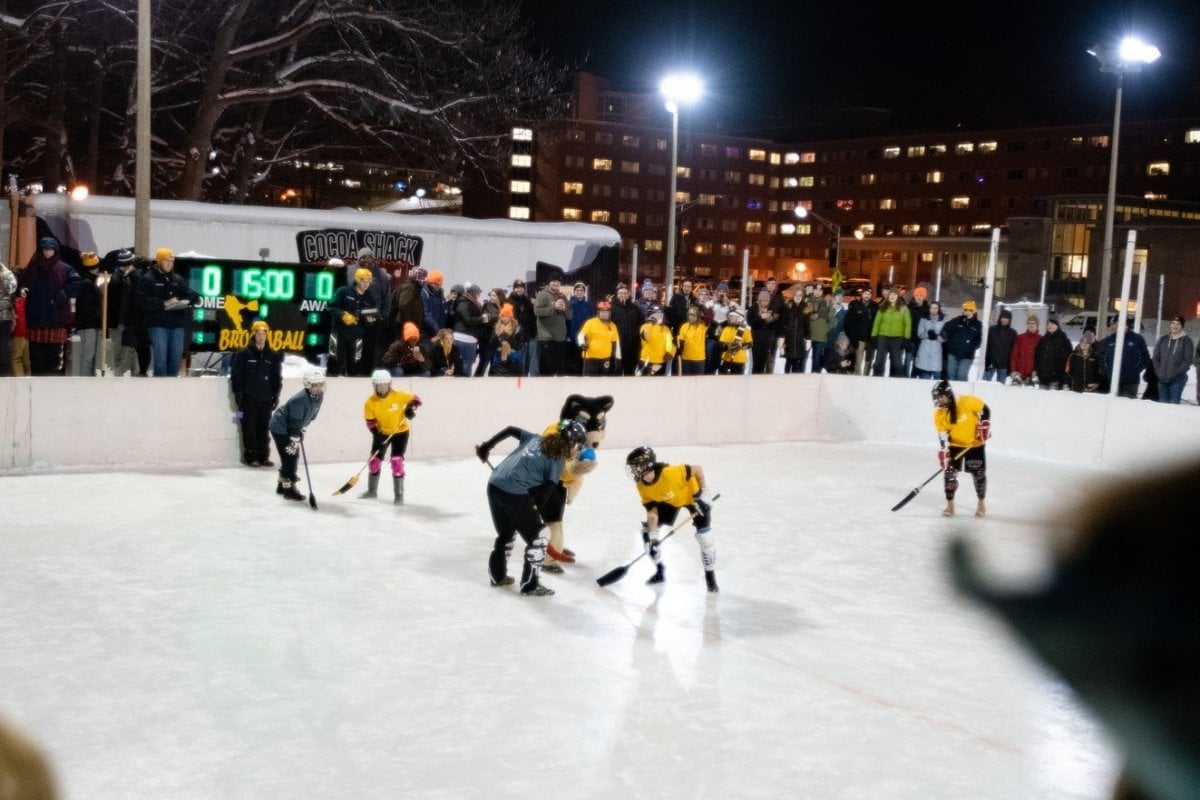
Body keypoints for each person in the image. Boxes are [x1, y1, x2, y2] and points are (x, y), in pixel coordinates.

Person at [474, 420, 587, 596]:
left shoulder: (536, 438)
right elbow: (544, 495)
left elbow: (510, 429)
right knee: (540, 538)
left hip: (494, 484)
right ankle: (530, 585)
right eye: (577, 445)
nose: (576, 450)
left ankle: (497, 576)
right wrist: (534, 516)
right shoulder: (556, 463)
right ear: (571, 443)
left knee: (506, 534)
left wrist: (487, 446)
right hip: (514, 494)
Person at [624, 445, 719, 592]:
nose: (633, 471)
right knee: (648, 536)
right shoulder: (641, 486)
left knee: (706, 538)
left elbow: (698, 469)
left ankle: (710, 575)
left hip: (694, 498)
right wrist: (654, 535)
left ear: (647, 466)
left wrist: (704, 493)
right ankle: (660, 570)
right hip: (670, 500)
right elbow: (652, 511)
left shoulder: (671, 473)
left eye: (635, 467)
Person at [17, 237, 83, 375]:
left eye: (50, 249)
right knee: (36, 358)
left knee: (54, 359)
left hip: (55, 318)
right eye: (45, 249)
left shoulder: (64, 269)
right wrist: (22, 289)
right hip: (35, 318)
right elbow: (22, 283)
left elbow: (77, 283)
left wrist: (63, 294)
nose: (47, 252)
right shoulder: (32, 268)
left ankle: (52, 388)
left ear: (55, 250)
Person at [136, 248, 200, 377]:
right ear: (159, 261)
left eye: (172, 261)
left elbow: (190, 292)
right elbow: (142, 301)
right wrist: (163, 303)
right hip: (158, 325)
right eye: (166, 261)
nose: (170, 264)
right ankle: (160, 389)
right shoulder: (148, 279)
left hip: (177, 325)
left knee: (175, 359)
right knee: (161, 359)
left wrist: (189, 299)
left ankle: (172, 388)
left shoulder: (177, 279)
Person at [931, 379, 991, 518]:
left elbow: (985, 409)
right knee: (949, 475)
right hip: (955, 446)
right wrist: (944, 452)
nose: (938, 401)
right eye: (936, 398)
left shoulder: (966, 401)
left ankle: (981, 503)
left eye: (940, 396)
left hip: (975, 444)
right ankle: (950, 507)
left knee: (979, 475)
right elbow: (942, 435)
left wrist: (985, 425)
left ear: (948, 394)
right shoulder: (939, 413)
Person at [360, 369, 421, 504]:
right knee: (374, 461)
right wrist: (377, 434)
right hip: (381, 433)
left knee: (396, 461)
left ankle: (399, 496)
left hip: (400, 432)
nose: (382, 388)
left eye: (384, 384)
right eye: (379, 385)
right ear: (374, 386)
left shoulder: (399, 395)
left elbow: (417, 400)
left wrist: (410, 408)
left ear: (389, 384)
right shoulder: (370, 402)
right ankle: (372, 491)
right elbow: (370, 422)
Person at [230, 320, 283, 467]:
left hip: (265, 399)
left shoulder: (272, 356)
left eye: (263, 333)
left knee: (264, 429)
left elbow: (276, 378)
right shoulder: (243, 354)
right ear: (253, 335)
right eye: (258, 333)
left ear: (267, 335)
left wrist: (275, 395)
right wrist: (238, 393)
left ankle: (263, 457)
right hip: (248, 399)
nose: (261, 336)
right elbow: (236, 375)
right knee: (249, 429)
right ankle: (251, 457)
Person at [269, 368, 325, 501]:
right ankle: (288, 489)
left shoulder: (320, 396)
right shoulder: (299, 399)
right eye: (315, 385)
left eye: (320, 385)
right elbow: (295, 421)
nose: (318, 388)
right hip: (280, 427)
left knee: (290, 456)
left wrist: (302, 430)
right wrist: (294, 440)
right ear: (308, 385)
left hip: (292, 427)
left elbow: (311, 416)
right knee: (290, 458)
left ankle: (281, 485)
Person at [328, 267, 382, 377]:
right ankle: (332, 377)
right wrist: (343, 315)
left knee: (355, 360)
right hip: (340, 331)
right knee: (335, 357)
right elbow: (331, 307)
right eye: (363, 281)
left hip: (357, 334)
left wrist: (370, 321)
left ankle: (352, 380)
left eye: (368, 281)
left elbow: (371, 314)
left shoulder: (369, 298)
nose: (366, 284)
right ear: (357, 280)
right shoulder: (343, 291)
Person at [1098, 316, 1151, 398]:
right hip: (1112, 381)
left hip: (1131, 382)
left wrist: (1135, 370)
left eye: (1120, 324)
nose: (1117, 326)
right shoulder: (1108, 340)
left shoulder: (1137, 339)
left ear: (1127, 325)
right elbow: (1102, 357)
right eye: (1115, 324)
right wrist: (1107, 371)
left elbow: (1145, 357)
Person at [72, 252, 104, 376]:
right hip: (88, 325)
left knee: (90, 357)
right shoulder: (87, 283)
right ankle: (85, 381)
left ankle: (88, 380)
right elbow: (88, 307)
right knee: (88, 357)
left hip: (90, 325)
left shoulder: (89, 282)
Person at [1150, 316, 1194, 404]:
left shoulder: (1186, 341)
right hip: (1162, 379)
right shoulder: (1163, 339)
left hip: (1177, 380)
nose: (1175, 326)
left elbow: (1187, 360)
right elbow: (1156, 357)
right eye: (1173, 323)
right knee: (1163, 406)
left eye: (1178, 324)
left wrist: (1177, 372)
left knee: (1174, 406)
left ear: (1182, 326)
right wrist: (1159, 371)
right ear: (1170, 325)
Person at [870, 287, 912, 377]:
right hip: (883, 337)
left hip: (897, 338)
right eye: (891, 294)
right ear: (888, 296)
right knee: (879, 361)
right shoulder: (882, 307)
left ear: (898, 296)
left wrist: (906, 338)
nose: (892, 296)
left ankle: (896, 380)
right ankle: (877, 378)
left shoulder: (904, 308)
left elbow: (907, 324)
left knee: (897, 363)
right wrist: (874, 336)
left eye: (894, 294)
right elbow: (877, 322)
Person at [534, 276, 571, 376]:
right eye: (553, 281)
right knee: (547, 371)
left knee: (559, 371)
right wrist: (553, 307)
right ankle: (545, 391)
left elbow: (570, 316)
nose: (556, 283)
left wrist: (564, 309)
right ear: (549, 282)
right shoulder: (542, 295)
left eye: (558, 281)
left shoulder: (563, 296)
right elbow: (537, 311)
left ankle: (559, 391)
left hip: (559, 337)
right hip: (546, 336)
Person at [940, 300, 982, 382]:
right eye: (966, 310)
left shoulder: (977, 324)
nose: (967, 312)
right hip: (953, 353)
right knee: (951, 375)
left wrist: (971, 347)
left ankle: (962, 393)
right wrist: (945, 336)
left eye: (970, 310)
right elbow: (946, 328)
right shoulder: (956, 320)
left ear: (974, 312)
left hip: (967, 356)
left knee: (961, 376)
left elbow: (979, 341)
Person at [577, 299, 621, 375]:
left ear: (610, 313)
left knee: (603, 382)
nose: (604, 314)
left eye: (607, 312)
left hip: (605, 358)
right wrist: (582, 344)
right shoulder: (590, 322)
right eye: (602, 312)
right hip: (590, 358)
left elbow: (616, 343)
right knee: (589, 382)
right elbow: (581, 335)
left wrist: (618, 359)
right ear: (598, 313)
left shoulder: (613, 326)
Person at [452, 283, 488, 376]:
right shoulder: (464, 303)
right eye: (478, 293)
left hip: (470, 340)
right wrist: (482, 319)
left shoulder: (472, 303)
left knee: (467, 366)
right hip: (462, 338)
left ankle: (464, 386)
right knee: (462, 366)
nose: (479, 296)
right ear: (473, 293)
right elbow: (467, 320)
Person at [610, 282, 643, 376]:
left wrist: (637, 335)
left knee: (630, 369)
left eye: (625, 293)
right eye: (621, 293)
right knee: (617, 369)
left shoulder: (635, 308)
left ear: (628, 294)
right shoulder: (612, 308)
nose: (623, 295)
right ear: (617, 294)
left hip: (632, 344)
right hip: (617, 344)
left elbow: (642, 324)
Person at [508, 279, 538, 376]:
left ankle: (524, 379)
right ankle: (519, 380)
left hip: (527, 335)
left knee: (527, 360)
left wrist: (533, 332)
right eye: (517, 287)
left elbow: (531, 318)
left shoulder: (527, 301)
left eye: (521, 288)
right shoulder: (509, 301)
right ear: (514, 289)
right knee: (519, 360)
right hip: (515, 336)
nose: (519, 289)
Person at [844, 287, 877, 375]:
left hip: (870, 339)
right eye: (865, 293)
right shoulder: (855, 306)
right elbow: (850, 323)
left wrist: (875, 337)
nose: (867, 296)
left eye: (869, 294)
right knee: (858, 360)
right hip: (859, 338)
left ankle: (866, 377)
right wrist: (853, 338)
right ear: (862, 294)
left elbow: (877, 322)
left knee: (869, 360)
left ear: (871, 296)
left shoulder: (875, 306)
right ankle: (857, 377)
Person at [1033, 317, 1073, 390]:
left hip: (1056, 378)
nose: (1049, 326)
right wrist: (1036, 369)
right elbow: (1037, 356)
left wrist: (1064, 377)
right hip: (1043, 377)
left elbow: (1069, 359)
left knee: (1052, 399)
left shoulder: (1064, 340)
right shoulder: (1043, 339)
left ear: (1057, 325)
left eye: (1052, 324)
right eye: (1048, 324)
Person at [778, 288, 810, 373]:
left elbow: (807, 324)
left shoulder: (806, 307)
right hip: (789, 337)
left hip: (800, 338)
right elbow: (783, 321)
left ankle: (795, 381)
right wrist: (782, 336)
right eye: (796, 295)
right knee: (789, 361)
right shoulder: (788, 304)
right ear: (793, 295)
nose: (798, 297)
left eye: (800, 295)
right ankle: (786, 380)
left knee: (797, 361)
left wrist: (808, 338)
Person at [489, 306, 526, 377]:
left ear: (511, 317)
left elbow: (520, 346)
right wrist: (499, 340)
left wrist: (508, 341)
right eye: (502, 316)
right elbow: (491, 344)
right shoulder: (496, 328)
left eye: (506, 316)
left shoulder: (517, 328)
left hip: (513, 360)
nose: (504, 318)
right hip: (499, 361)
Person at [565, 282, 594, 375]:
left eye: (582, 290)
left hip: (584, 339)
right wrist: (567, 335)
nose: (579, 292)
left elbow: (593, 322)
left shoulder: (589, 306)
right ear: (574, 292)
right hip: (572, 338)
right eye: (577, 290)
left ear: (584, 292)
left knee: (583, 363)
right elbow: (565, 321)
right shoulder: (569, 305)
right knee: (572, 364)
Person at [747, 289, 778, 374]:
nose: (765, 303)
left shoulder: (771, 309)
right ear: (759, 300)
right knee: (755, 362)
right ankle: (754, 378)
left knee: (763, 362)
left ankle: (760, 379)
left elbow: (775, 326)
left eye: (767, 301)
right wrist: (760, 318)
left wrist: (771, 319)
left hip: (767, 340)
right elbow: (751, 322)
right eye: (763, 300)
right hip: (756, 339)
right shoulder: (753, 309)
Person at [637, 306, 674, 375]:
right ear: (650, 316)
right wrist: (651, 324)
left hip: (661, 361)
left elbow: (669, 343)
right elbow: (644, 337)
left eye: (660, 315)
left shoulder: (666, 329)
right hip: (647, 360)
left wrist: (669, 352)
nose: (659, 317)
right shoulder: (645, 326)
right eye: (656, 315)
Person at [913, 300, 946, 379]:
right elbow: (920, 334)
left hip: (936, 350)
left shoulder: (943, 321)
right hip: (925, 348)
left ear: (938, 309)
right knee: (925, 379)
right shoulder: (924, 319)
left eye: (935, 308)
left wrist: (937, 337)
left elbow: (945, 336)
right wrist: (927, 334)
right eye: (932, 308)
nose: (933, 310)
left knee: (937, 379)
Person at [983, 308, 1017, 383]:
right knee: (984, 384)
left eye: (1007, 318)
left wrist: (1009, 367)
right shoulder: (992, 330)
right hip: (991, 362)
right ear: (1000, 318)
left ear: (1009, 320)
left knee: (1000, 388)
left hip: (1003, 365)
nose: (1004, 319)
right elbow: (987, 346)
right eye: (1003, 317)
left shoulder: (1013, 333)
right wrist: (987, 362)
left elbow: (1013, 350)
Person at [718, 305, 752, 374]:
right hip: (727, 359)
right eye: (730, 317)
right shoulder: (726, 329)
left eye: (733, 317)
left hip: (739, 361)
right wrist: (728, 346)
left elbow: (750, 344)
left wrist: (741, 345)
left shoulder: (745, 330)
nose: (730, 318)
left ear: (739, 318)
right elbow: (721, 344)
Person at [675, 304, 708, 376]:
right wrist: (678, 353)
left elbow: (708, 316)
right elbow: (681, 342)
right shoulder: (684, 326)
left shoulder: (703, 325)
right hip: (686, 359)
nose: (691, 317)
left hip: (699, 359)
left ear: (698, 316)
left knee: (698, 382)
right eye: (689, 314)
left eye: (694, 315)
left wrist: (703, 307)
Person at [1009, 314, 1041, 385]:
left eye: (1033, 323)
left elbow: (1041, 359)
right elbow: (1014, 355)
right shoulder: (1020, 338)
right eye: (1029, 323)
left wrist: (1036, 372)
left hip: (1032, 375)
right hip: (1019, 374)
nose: (1031, 325)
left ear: (1037, 325)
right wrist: (1014, 370)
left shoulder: (1041, 339)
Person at [420, 269, 447, 344]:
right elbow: (425, 313)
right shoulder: (424, 293)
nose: (438, 286)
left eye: (440, 284)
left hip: (438, 332)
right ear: (430, 282)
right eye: (436, 284)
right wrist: (437, 328)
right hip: (426, 331)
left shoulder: (441, 294)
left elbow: (443, 311)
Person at [0, 261, 16, 376]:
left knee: (3, 347)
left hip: (3, 318)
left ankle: (5, 376)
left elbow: (11, 293)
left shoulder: (7, 274)